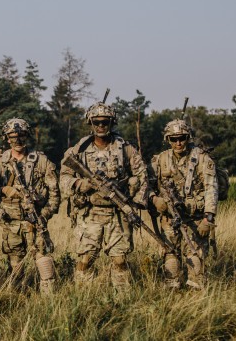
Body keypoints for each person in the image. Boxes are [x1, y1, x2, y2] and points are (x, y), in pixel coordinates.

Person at [60, 101, 149, 291]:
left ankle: (123, 299)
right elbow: (64, 178)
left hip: (117, 213)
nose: (101, 126)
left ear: (111, 123)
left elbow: (142, 175)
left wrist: (136, 202)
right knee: (85, 259)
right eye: (97, 122)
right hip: (89, 213)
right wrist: (80, 184)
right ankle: (83, 298)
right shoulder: (79, 150)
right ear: (90, 123)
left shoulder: (126, 149)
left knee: (120, 259)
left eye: (105, 122)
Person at [149, 119, 218, 289]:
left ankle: (196, 301)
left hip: (196, 218)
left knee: (195, 259)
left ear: (188, 137)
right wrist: (154, 199)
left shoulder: (201, 158)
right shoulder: (160, 160)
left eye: (182, 138)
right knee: (170, 258)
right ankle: (173, 297)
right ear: (168, 139)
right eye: (174, 139)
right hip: (169, 219)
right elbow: (147, 186)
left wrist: (208, 218)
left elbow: (211, 188)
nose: (178, 142)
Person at [0, 118, 60, 294]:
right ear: (7, 138)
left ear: (27, 136)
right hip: (11, 225)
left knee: (45, 265)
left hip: (37, 222)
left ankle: (50, 304)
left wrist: (44, 215)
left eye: (21, 135)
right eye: (13, 136)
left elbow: (55, 195)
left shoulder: (42, 161)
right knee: (15, 269)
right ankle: (16, 304)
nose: (17, 140)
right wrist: (4, 192)